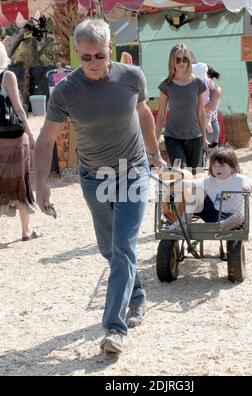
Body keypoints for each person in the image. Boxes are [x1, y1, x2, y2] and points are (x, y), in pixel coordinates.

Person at [34, 19, 165, 354]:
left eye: (99, 55)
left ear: (111, 50)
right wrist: (41, 185)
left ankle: (114, 328)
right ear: (77, 55)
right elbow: (46, 139)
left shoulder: (131, 77)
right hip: (94, 177)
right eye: (86, 57)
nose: (93, 63)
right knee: (110, 249)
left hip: (132, 170)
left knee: (123, 247)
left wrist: (154, 155)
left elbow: (145, 116)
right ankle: (136, 296)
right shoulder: (66, 91)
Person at [168, 146, 252, 232]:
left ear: (232, 167)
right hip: (214, 214)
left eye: (221, 165)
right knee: (196, 189)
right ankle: (184, 221)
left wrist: (249, 187)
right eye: (214, 165)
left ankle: (221, 226)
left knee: (239, 216)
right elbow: (189, 184)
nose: (217, 169)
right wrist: (171, 184)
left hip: (232, 216)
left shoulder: (240, 179)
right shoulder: (209, 181)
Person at [0, 41, 40, 241]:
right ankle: (25, 231)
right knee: (21, 183)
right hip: (14, 139)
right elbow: (18, 108)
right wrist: (31, 134)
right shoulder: (7, 76)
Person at [156, 43, 209, 169]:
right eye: (177, 59)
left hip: (195, 137)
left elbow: (201, 112)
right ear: (172, 62)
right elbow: (162, 114)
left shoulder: (198, 83)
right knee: (182, 173)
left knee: (196, 176)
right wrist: (156, 139)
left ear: (189, 61)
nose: (181, 62)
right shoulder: (166, 85)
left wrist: (204, 137)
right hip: (173, 137)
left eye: (185, 59)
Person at [205, 66, 222, 148]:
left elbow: (210, 107)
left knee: (213, 156)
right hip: (196, 125)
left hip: (211, 124)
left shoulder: (217, 89)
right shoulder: (197, 88)